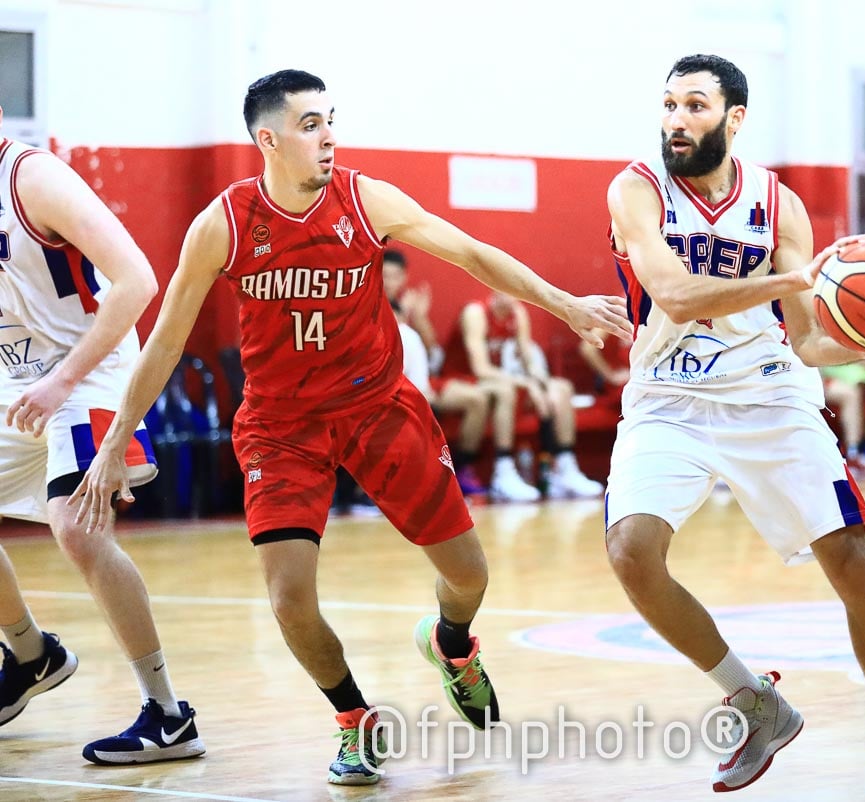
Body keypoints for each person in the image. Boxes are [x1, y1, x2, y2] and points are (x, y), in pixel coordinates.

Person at [69, 70, 629, 786]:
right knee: (288, 599)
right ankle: (354, 719)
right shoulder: (225, 224)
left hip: (377, 409)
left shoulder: (367, 201)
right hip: (280, 427)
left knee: (468, 575)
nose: (329, 136)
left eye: (330, 120)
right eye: (310, 125)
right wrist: (117, 438)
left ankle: (452, 643)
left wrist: (564, 304)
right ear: (268, 140)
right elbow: (167, 340)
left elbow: (472, 254)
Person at [603, 55, 865, 800]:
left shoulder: (778, 203)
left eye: (694, 105)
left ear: (735, 118)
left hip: (770, 394)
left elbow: (809, 339)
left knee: (851, 562)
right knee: (631, 553)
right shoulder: (637, 189)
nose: (676, 120)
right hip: (667, 396)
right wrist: (792, 279)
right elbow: (674, 295)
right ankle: (755, 703)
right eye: (668, 105)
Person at [0, 109, 204, 763]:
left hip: (88, 371)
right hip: (21, 378)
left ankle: (168, 715)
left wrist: (61, 380)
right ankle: (31, 654)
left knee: (78, 527)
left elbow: (138, 279)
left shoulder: (33, 179)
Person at [383, 249, 531, 499]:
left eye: (395, 276)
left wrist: (418, 318)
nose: (389, 282)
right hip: (392, 382)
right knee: (486, 395)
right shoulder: (476, 312)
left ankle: (463, 469)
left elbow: (431, 351)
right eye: (384, 275)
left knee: (480, 399)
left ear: (404, 278)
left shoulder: (409, 305)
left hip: (423, 378)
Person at [442, 291, 605, 499]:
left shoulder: (517, 313)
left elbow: (529, 361)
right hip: (465, 379)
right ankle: (503, 472)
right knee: (506, 391)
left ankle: (564, 469)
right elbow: (480, 368)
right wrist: (526, 384)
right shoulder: (476, 313)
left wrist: (541, 382)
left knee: (561, 389)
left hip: (501, 379)